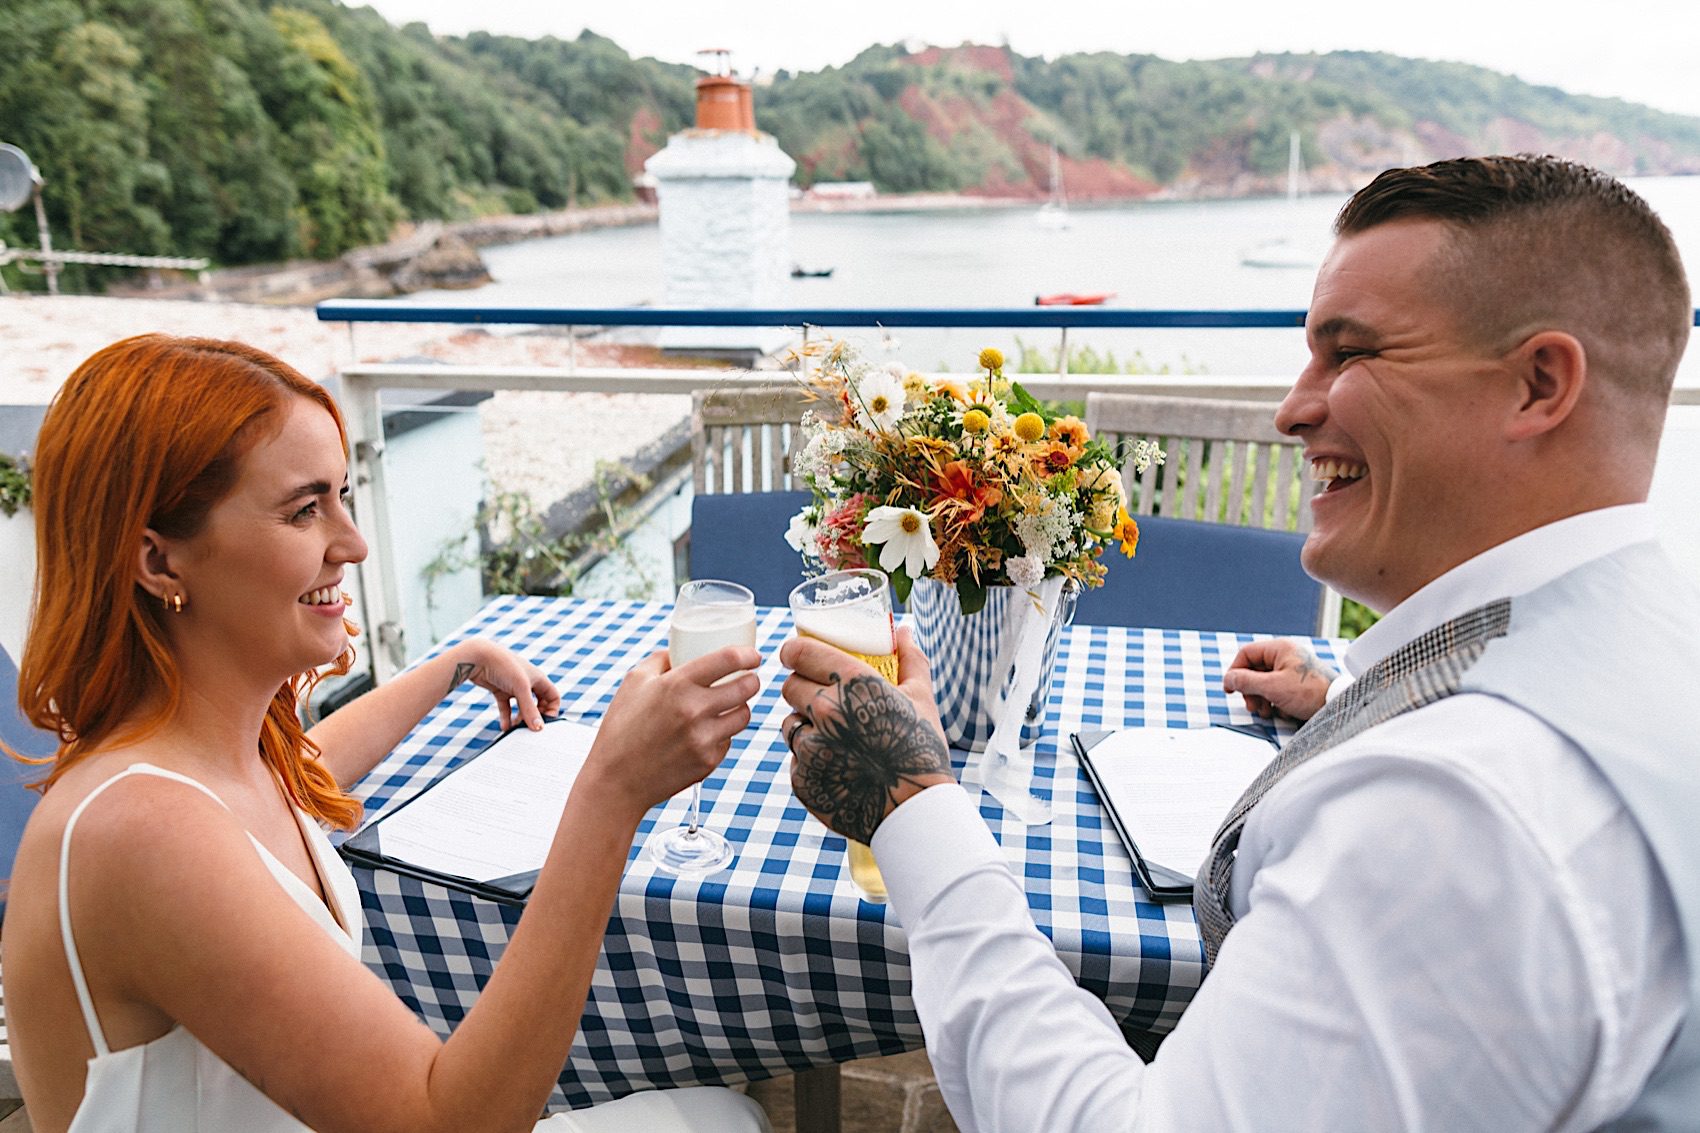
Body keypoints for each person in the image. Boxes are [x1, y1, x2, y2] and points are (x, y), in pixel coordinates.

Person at [778, 154, 1700, 1130]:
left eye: (1347, 353)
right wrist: (1352, 697)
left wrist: (911, 801)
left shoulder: (1451, 808)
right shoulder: (1642, 631)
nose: (1291, 409)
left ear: (1537, 383)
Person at [2, 335, 770, 1133]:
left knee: (722, 1112)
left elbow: (304, 770)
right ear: (159, 562)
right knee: (727, 1118)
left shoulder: (204, 757)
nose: (354, 542)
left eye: (344, 494)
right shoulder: (143, 836)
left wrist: (458, 666)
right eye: (305, 508)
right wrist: (610, 793)